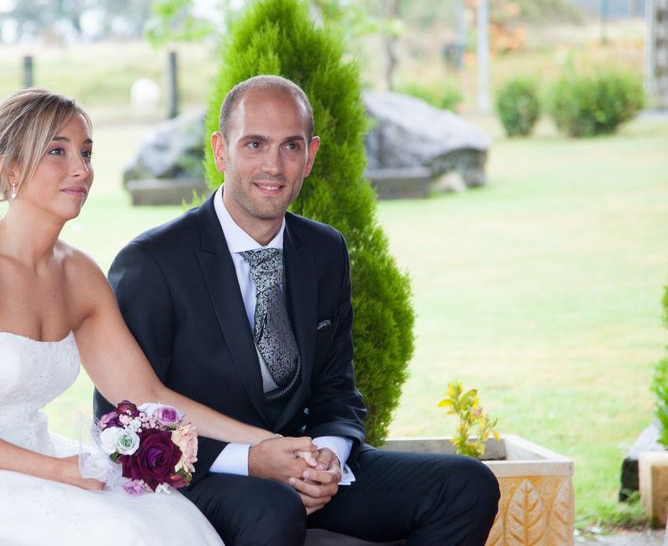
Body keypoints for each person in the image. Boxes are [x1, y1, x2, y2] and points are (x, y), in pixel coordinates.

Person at [0, 87, 286, 546]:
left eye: (86, 153)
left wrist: (266, 442)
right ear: (10, 169)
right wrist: (55, 471)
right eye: (57, 151)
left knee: (171, 522)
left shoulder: (79, 275)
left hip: (39, 457)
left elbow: (146, 393)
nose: (81, 170)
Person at [95, 75, 501, 546]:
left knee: (467, 485)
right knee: (275, 508)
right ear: (220, 151)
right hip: (204, 473)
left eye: (290, 146)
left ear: (310, 157)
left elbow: (337, 392)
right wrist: (254, 459)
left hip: (304, 470)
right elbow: (121, 423)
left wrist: (327, 457)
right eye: (254, 144)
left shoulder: (324, 250)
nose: (273, 165)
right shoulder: (153, 262)